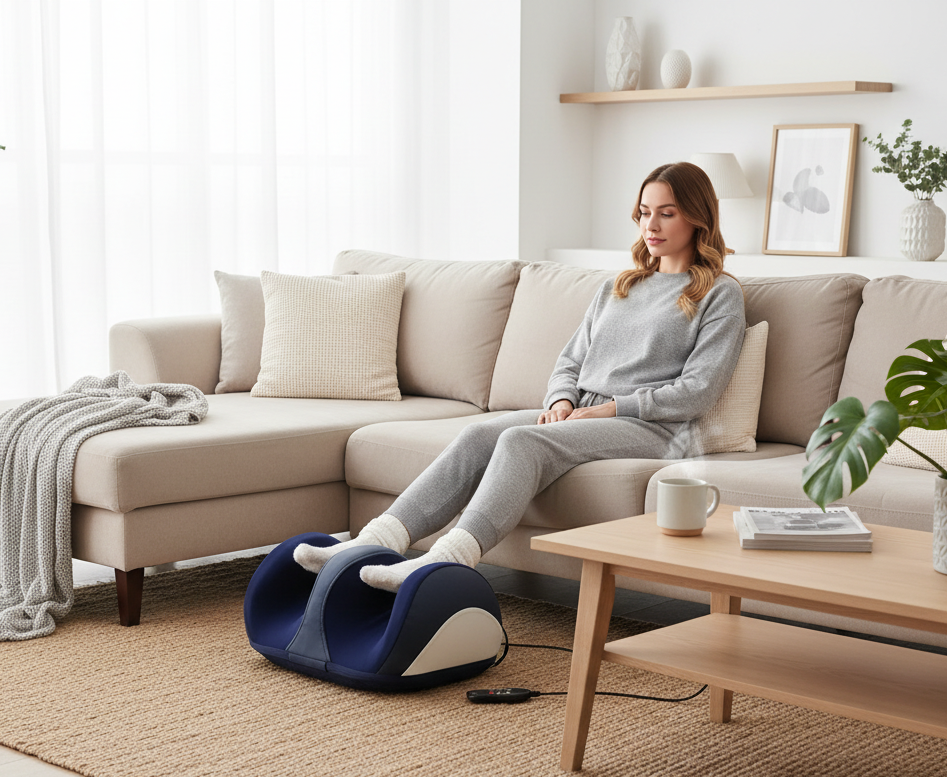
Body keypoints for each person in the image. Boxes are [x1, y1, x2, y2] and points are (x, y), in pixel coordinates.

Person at [295, 161, 747, 591]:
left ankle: (445, 560)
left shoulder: (718, 293)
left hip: (654, 427)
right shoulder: (619, 286)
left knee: (520, 441)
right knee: (478, 435)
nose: (651, 225)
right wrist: (561, 403)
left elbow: (698, 392)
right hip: (586, 411)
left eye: (666, 214)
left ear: (697, 219)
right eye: (645, 213)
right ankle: (373, 542)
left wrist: (610, 409)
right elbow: (570, 360)